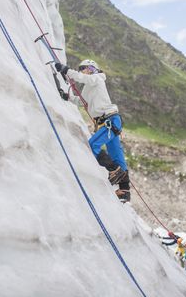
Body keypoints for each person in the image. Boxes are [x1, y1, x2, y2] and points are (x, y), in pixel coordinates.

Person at [55, 59, 130, 203]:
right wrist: (67, 96)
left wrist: (67, 70)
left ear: (92, 69)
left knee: (92, 145)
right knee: (116, 153)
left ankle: (114, 170)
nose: (83, 70)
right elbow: (82, 101)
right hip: (109, 122)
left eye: (85, 68)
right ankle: (124, 190)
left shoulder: (97, 78)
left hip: (109, 121)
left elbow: (82, 78)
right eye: (81, 68)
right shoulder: (90, 86)